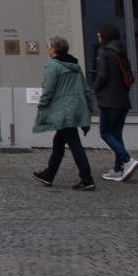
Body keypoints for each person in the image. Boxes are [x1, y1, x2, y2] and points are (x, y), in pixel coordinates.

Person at [32, 34, 97, 191]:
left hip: (63, 112)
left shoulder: (53, 66)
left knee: (75, 145)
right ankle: (48, 175)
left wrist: (42, 105)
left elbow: (48, 88)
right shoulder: (75, 65)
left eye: (49, 46)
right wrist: (89, 107)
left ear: (55, 49)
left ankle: (87, 179)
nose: (47, 48)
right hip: (75, 109)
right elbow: (85, 88)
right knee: (59, 143)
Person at [93, 24, 138, 181]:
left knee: (105, 133)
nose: (98, 35)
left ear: (106, 35)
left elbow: (102, 75)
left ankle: (127, 160)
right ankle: (118, 169)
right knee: (117, 135)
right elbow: (130, 76)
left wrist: (96, 89)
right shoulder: (122, 53)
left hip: (109, 100)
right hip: (123, 100)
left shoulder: (104, 52)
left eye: (100, 33)